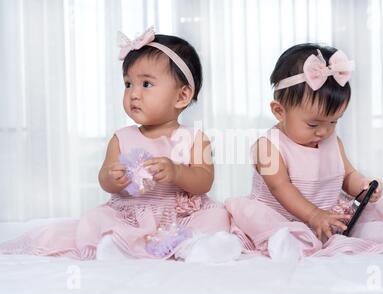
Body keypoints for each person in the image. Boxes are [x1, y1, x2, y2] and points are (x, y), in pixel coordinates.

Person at [0, 27, 241, 262]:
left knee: (217, 217)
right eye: (128, 84)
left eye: (146, 84)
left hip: (181, 217)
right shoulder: (122, 137)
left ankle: (196, 246)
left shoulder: (196, 138)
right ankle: (120, 244)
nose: (134, 94)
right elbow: (105, 179)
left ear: (182, 96)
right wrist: (112, 177)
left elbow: (204, 181)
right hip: (134, 214)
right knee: (94, 219)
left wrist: (177, 171)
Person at [225, 43, 383, 261]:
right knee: (261, 220)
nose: (324, 131)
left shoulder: (332, 141)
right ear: (280, 111)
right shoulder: (268, 146)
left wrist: (363, 187)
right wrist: (313, 215)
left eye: (333, 121)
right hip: (283, 215)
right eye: (313, 124)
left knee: (363, 219)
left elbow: (347, 175)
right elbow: (281, 187)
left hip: (328, 215)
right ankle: (287, 242)